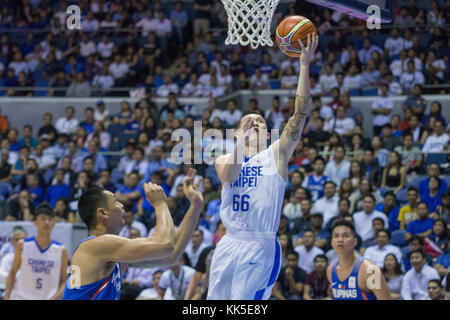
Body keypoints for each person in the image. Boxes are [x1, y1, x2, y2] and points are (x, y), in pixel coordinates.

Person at [208, 34, 319, 300]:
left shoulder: (276, 154)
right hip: (230, 242)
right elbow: (229, 174)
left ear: (269, 134)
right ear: (236, 134)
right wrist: (242, 142)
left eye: (260, 122)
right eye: (248, 121)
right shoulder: (224, 158)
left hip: (260, 244)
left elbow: (300, 114)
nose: (255, 123)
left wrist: (304, 66)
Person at [62, 168, 203, 300]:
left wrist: (195, 206)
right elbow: (164, 244)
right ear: (102, 213)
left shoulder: (112, 253)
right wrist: (160, 204)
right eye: (116, 201)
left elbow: (171, 256)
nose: (122, 205)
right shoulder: (95, 245)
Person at [4, 205, 69, 300]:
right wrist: (7, 296)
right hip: (22, 297)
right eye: (43, 219)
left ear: (54, 223)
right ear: (35, 222)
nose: (47, 222)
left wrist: (53, 298)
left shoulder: (61, 250)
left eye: (50, 219)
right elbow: (12, 273)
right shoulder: (23, 245)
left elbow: (64, 282)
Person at [327, 219, 391, 300]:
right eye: (336, 236)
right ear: (332, 242)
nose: (340, 240)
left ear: (354, 242)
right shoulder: (330, 270)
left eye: (345, 236)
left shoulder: (371, 270)